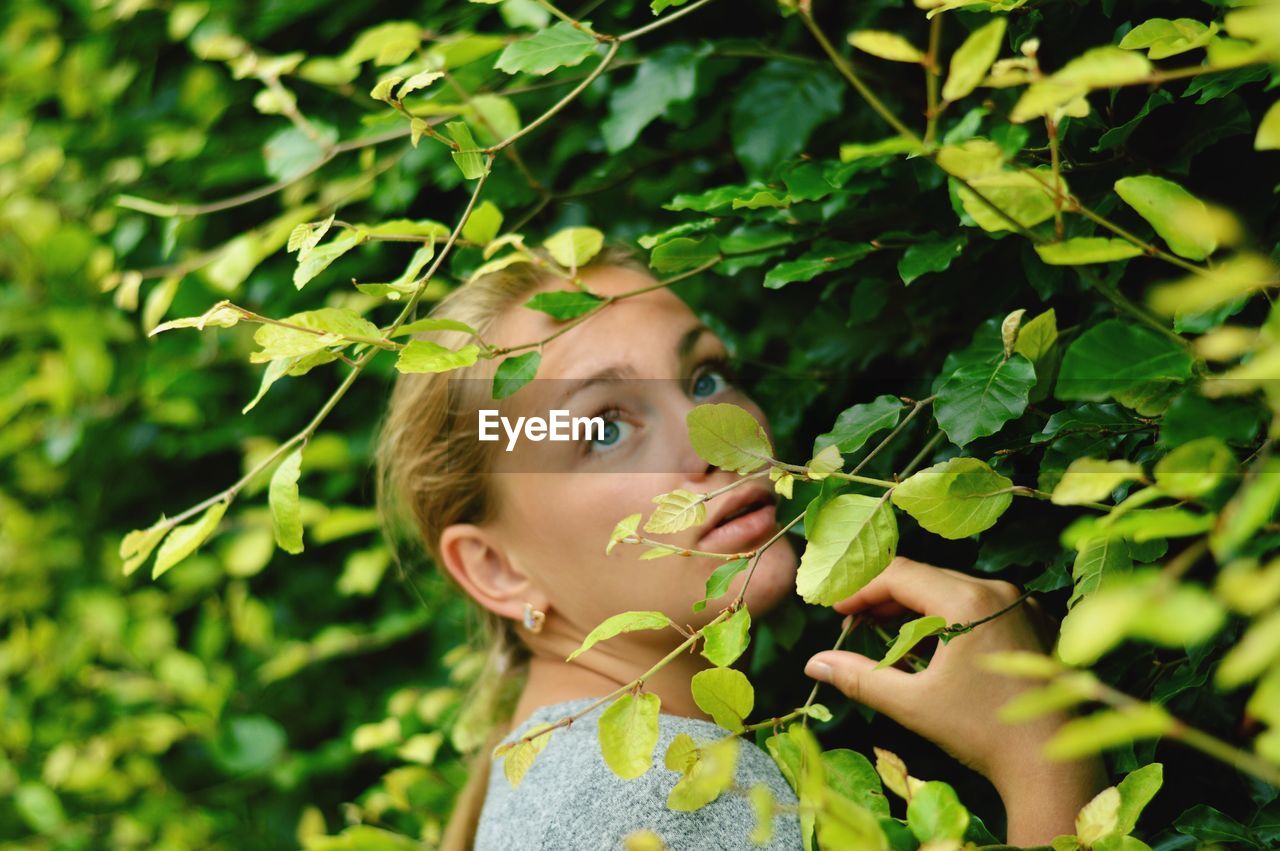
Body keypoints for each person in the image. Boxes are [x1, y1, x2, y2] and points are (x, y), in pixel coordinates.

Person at [373, 244, 1106, 850]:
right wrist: (1043, 755)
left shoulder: (570, 783)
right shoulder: (654, 796)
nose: (716, 433)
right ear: (496, 569)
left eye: (705, 377)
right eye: (602, 428)